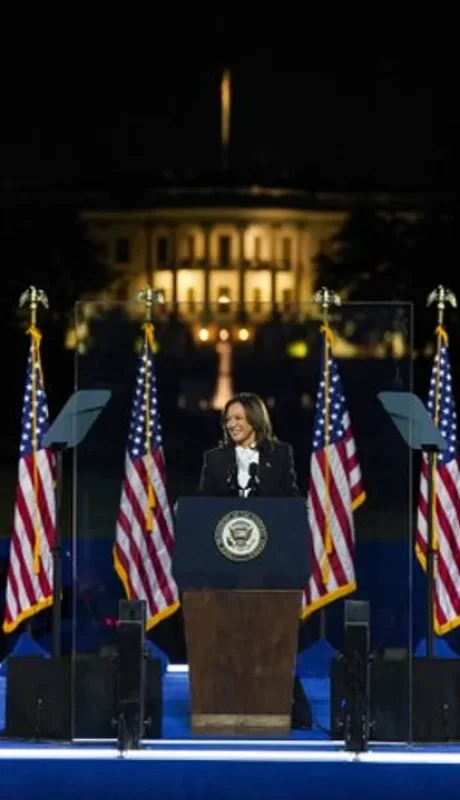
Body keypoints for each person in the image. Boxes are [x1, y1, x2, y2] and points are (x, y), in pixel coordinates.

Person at [198, 391, 312, 730]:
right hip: (227, 564)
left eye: (238, 418)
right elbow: (204, 504)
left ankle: (288, 704)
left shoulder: (280, 455)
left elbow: (291, 501)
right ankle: (228, 704)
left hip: (270, 562)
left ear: (255, 420)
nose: (232, 424)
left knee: (271, 633)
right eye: (228, 419)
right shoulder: (215, 460)